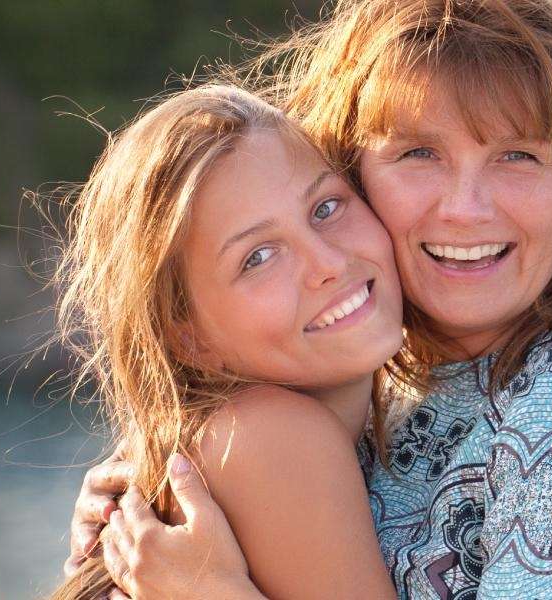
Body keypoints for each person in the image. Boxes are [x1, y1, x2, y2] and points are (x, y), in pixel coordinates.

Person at [61, 0, 552, 598]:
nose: (463, 208)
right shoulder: (364, 409)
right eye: (418, 153)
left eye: (519, 155)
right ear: (358, 171)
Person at [42, 82, 413, 600]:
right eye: (258, 257)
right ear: (187, 338)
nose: (328, 264)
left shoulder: (220, 441)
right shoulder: (272, 436)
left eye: (325, 208)